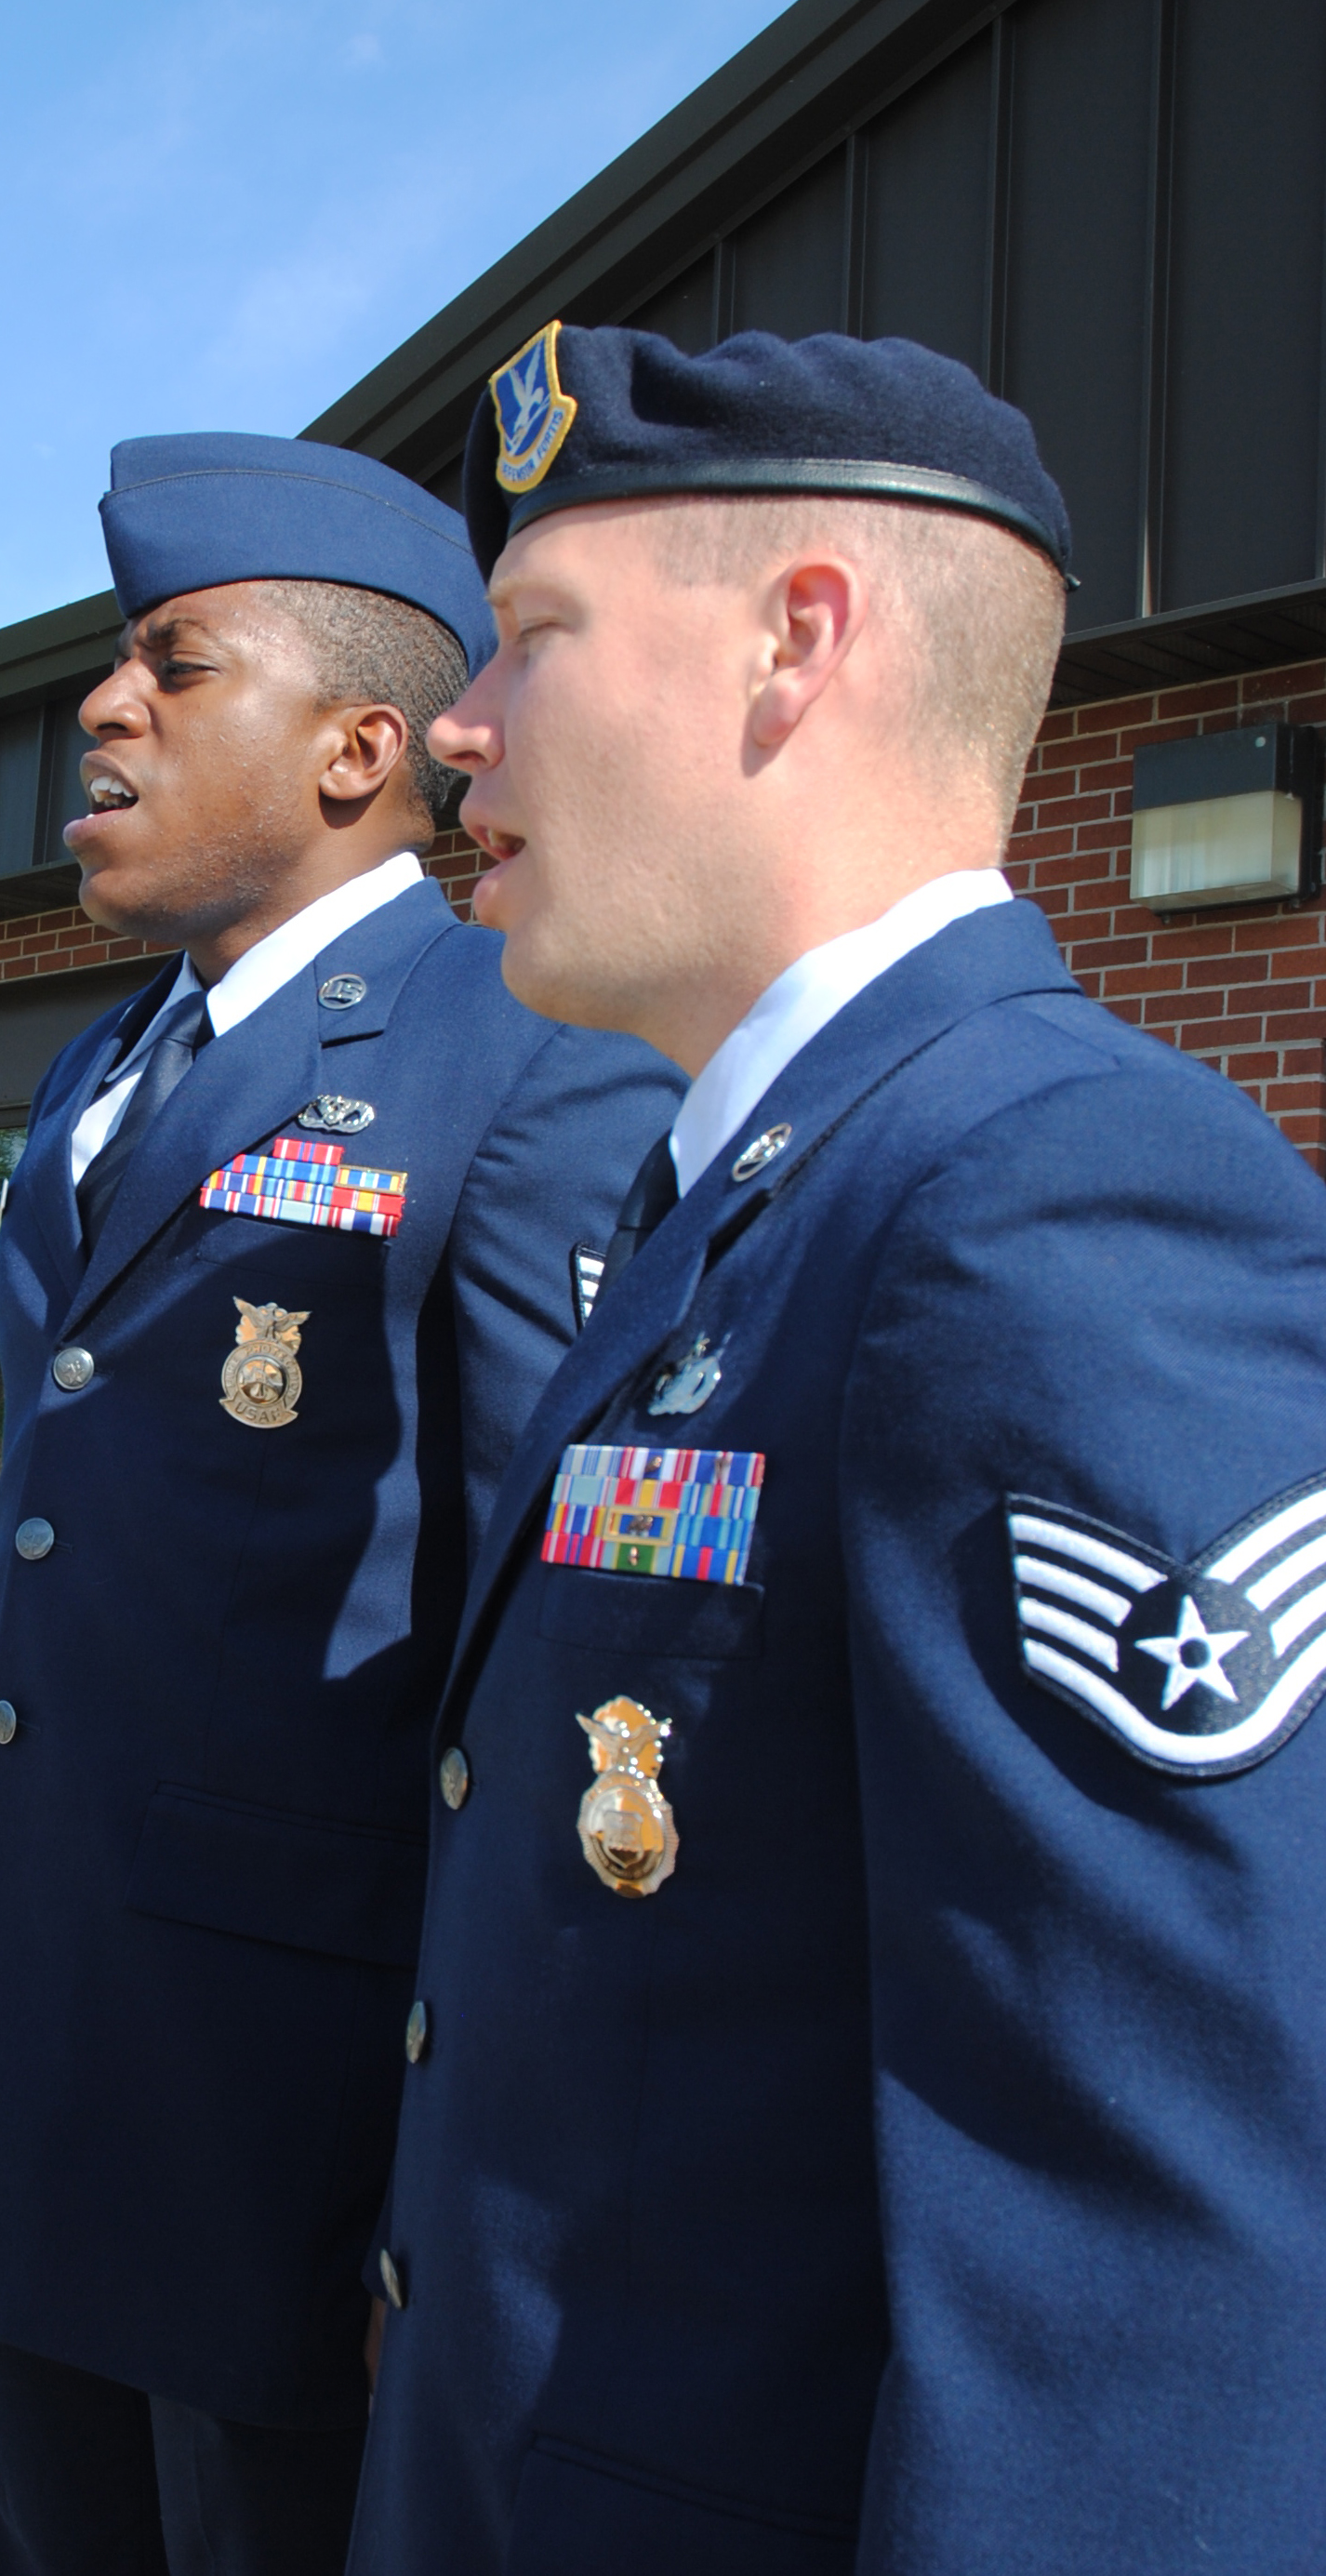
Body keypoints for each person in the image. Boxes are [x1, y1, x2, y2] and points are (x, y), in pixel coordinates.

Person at [347, 326, 1326, 2575]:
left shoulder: (1050, 1201)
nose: (462, 728)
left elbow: (1158, 2276)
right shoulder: (752, 1192)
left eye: (536, 632)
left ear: (798, 641)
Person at [0, 430, 683, 2576]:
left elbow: (560, 1667)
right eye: (111, 663)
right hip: (28, 2090)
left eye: (173, 659)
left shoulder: (520, 1045)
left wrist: (459, 2190)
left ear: (357, 746)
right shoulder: (102, 1066)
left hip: (287, 2156)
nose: (101, 708)